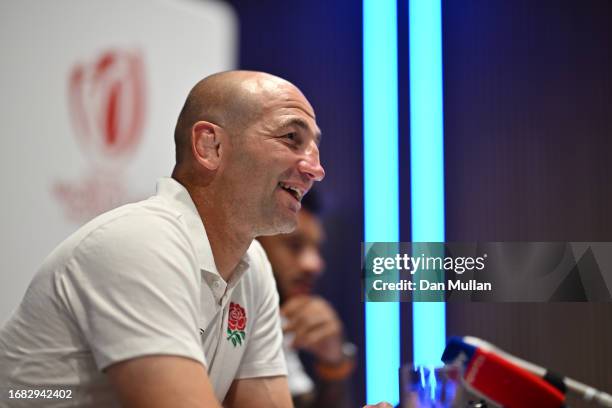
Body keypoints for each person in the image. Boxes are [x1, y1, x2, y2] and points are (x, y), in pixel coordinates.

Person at [0, 70, 325, 408]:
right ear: (210, 146)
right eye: (291, 137)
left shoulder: (253, 264)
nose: (316, 169)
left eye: (315, 146)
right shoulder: (140, 242)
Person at [258, 190, 356, 408]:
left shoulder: (283, 320)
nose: (315, 264)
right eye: (295, 245)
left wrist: (333, 363)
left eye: (316, 248)